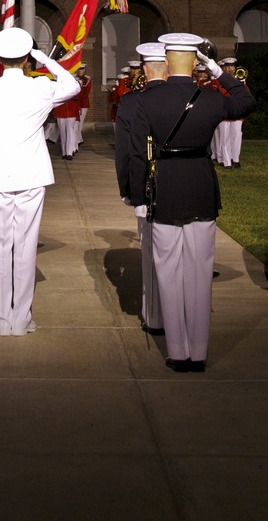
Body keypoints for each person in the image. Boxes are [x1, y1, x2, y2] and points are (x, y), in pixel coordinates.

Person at [128, 32, 256, 372]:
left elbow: (140, 153)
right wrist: (216, 69)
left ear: (167, 62)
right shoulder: (211, 98)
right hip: (200, 185)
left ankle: (178, 350)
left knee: (168, 271)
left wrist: (140, 197)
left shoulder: (146, 100)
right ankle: (198, 352)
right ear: (195, 62)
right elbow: (245, 100)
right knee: (200, 270)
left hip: (166, 187)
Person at [0, 27, 80, 334]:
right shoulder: (40, 88)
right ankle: (21, 319)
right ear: (27, 56)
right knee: (26, 246)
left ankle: (3, 320)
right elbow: (73, 85)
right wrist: (45, 59)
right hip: (31, 174)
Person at [115, 41, 168, 333]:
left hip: (147, 187)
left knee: (151, 254)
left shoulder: (131, 101)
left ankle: (155, 315)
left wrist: (129, 190)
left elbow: (125, 151)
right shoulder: (193, 97)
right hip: (185, 188)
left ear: (145, 69)